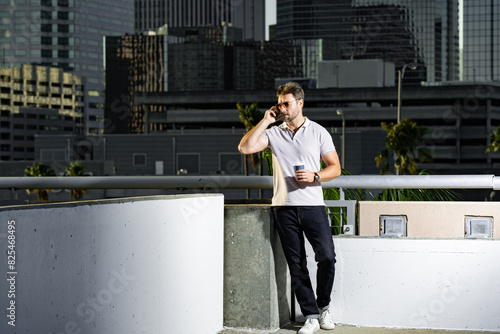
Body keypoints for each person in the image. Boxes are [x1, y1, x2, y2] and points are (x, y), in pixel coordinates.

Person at [238, 82, 341, 334]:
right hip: (283, 208)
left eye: (287, 103)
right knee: (297, 264)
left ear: (300, 103)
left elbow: (335, 168)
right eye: (279, 103)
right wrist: (265, 121)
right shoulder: (274, 134)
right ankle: (311, 315)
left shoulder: (318, 132)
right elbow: (245, 148)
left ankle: (324, 306)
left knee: (327, 256)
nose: (282, 108)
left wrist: (316, 176)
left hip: (313, 205)